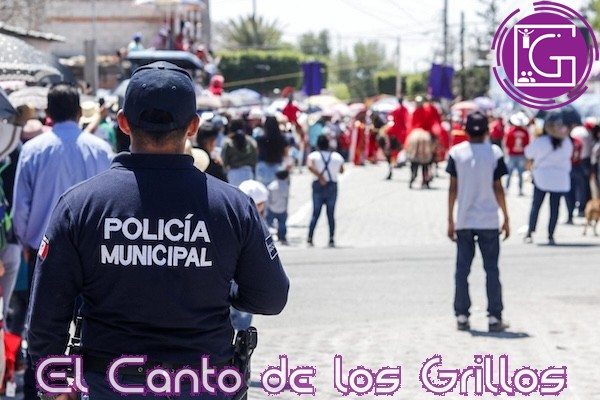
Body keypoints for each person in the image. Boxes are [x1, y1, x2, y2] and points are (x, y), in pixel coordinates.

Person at [28, 62, 289, 400]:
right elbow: (270, 296)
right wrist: (220, 287)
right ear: (193, 126)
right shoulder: (233, 207)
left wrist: (55, 386)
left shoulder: (79, 206)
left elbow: (47, 313)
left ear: (123, 122)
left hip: (110, 384)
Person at [12, 83, 114, 400]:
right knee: (90, 329)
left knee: (43, 328)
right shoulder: (101, 150)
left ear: (48, 113)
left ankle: (41, 390)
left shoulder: (33, 149)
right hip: (95, 255)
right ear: (78, 112)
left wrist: (27, 244)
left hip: (44, 252)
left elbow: (21, 208)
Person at [446, 110, 510, 333]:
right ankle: (494, 316)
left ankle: (462, 315)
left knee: (462, 270)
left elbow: (452, 188)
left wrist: (450, 219)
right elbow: (498, 188)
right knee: (491, 269)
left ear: (465, 130)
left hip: (464, 219)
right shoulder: (494, 153)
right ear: (486, 131)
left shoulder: (456, 153)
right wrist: (506, 216)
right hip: (488, 219)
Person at [524, 110, 573, 245]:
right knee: (554, 208)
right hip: (559, 179)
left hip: (542, 178)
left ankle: (530, 231)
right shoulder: (566, 142)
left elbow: (528, 153)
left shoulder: (541, 141)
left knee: (536, 206)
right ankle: (551, 234)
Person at [307, 134, 345, 247]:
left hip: (318, 185)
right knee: (331, 214)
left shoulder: (313, 156)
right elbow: (342, 170)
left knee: (315, 213)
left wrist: (320, 177)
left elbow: (309, 166)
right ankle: (331, 238)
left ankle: (310, 237)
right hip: (332, 185)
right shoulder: (336, 156)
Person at [221, 119, 258, 187]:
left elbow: (224, 161)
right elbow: (255, 159)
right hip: (248, 173)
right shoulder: (251, 141)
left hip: (233, 174)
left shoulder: (227, 143)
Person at [256, 116, 288, 186]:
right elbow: (286, 153)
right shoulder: (282, 138)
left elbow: (257, 151)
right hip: (277, 166)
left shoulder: (260, 138)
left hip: (263, 166)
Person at [504, 112, 530, 196]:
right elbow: (527, 144)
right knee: (520, 173)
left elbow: (507, 143)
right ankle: (520, 190)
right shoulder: (525, 132)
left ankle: (507, 189)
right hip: (521, 154)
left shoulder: (511, 131)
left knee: (509, 173)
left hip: (512, 154)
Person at [266, 168, 290, 245]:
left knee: (269, 222)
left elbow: (268, 198)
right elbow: (286, 198)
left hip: (272, 207)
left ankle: (269, 235)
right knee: (282, 223)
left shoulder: (272, 185)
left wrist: (268, 206)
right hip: (282, 208)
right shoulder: (286, 186)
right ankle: (282, 236)